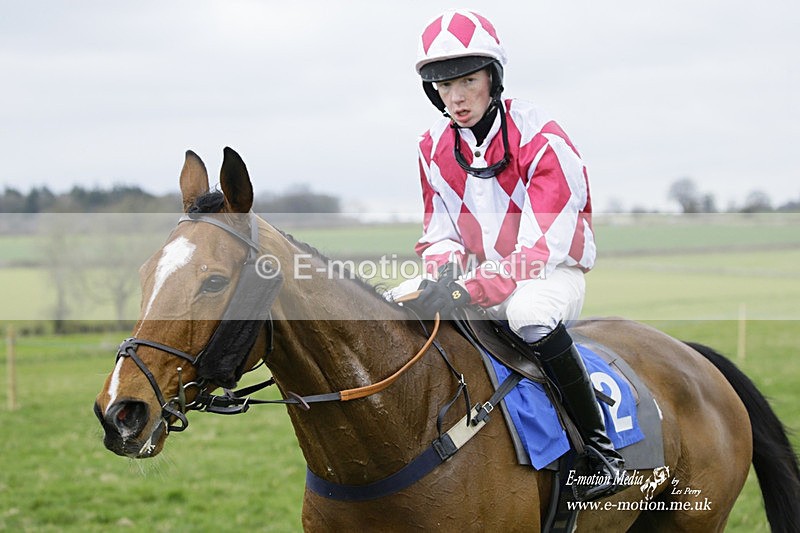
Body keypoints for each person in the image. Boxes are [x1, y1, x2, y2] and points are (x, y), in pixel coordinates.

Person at [411, 8, 624, 502]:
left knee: (526, 314)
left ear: (493, 77)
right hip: (481, 278)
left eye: (467, 80)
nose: (456, 97)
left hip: (550, 275)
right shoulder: (430, 148)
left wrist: (472, 286)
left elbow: (539, 247)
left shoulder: (543, 137)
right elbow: (437, 232)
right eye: (444, 86)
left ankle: (600, 450)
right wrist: (443, 274)